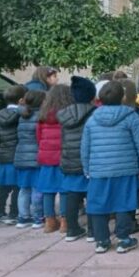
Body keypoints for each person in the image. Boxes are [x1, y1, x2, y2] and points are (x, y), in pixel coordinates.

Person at [81, 81, 139, 254]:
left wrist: (87, 168)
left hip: (98, 169)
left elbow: (85, 146)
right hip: (125, 168)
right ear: (123, 97)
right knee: (124, 203)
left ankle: (102, 240)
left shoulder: (92, 119)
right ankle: (124, 238)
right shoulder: (131, 116)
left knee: (97, 204)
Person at [57, 77, 97, 242]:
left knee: (72, 195)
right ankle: (93, 230)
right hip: (90, 160)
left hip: (69, 159)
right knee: (93, 195)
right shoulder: (94, 113)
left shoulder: (64, 114)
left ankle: (72, 228)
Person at [37, 84, 73, 233]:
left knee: (48, 190)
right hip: (63, 156)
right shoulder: (68, 114)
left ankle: (49, 221)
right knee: (64, 189)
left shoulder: (43, 115)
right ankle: (65, 221)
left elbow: (38, 136)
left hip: (46, 158)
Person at [0, 85, 27, 225]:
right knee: (18, 187)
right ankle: (14, 213)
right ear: (22, 100)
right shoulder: (23, 116)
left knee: (3, 189)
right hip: (18, 157)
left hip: (3, 158)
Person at [15, 90, 46, 229]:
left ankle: (23, 217)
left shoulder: (22, 115)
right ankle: (38, 217)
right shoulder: (41, 116)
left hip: (21, 156)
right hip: (36, 157)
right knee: (37, 189)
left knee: (24, 189)